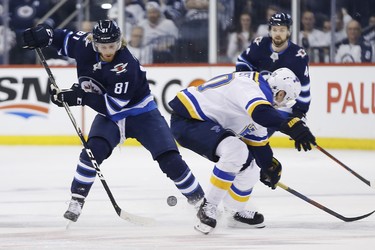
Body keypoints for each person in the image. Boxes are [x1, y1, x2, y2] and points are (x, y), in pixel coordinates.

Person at [22, 19, 205, 222]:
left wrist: (77, 97)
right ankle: (77, 198)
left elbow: (112, 107)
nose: (108, 51)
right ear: (94, 43)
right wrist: (44, 34)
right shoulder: (83, 44)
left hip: (141, 113)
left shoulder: (125, 66)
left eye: (112, 45)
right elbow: (62, 38)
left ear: (120, 42)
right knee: (92, 151)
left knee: (170, 159)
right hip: (110, 117)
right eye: (103, 46)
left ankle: (201, 203)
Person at [168, 68, 316, 234]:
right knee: (235, 150)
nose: (281, 104)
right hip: (188, 119)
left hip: (206, 124)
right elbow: (261, 113)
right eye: (285, 99)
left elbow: (259, 145)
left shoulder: (261, 102)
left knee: (251, 166)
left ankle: (234, 213)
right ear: (280, 93)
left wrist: (269, 166)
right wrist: (289, 126)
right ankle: (208, 207)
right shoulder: (250, 85)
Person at [236, 12, 311, 124]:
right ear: (270, 31)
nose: (277, 33)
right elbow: (242, 61)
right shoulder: (260, 44)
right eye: (275, 29)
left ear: (288, 32)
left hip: (280, 105)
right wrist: (247, 85)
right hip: (256, 98)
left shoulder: (298, 56)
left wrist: (299, 113)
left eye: (282, 30)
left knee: (268, 126)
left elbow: (304, 88)